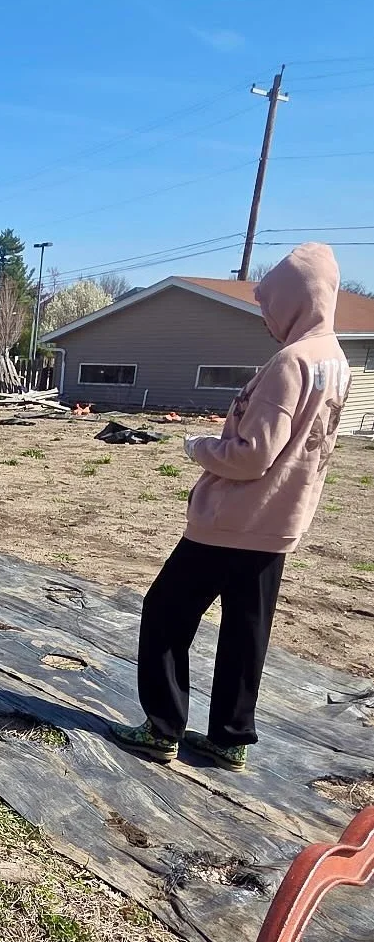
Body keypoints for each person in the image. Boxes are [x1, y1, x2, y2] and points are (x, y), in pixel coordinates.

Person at [110, 244, 351, 772]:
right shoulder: (336, 361)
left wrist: (196, 446)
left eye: (271, 304)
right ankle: (229, 737)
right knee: (246, 632)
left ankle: (162, 729)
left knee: (166, 615)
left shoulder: (292, 363)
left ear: (296, 299)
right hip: (280, 523)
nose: (266, 316)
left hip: (233, 521)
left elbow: (252, 456)